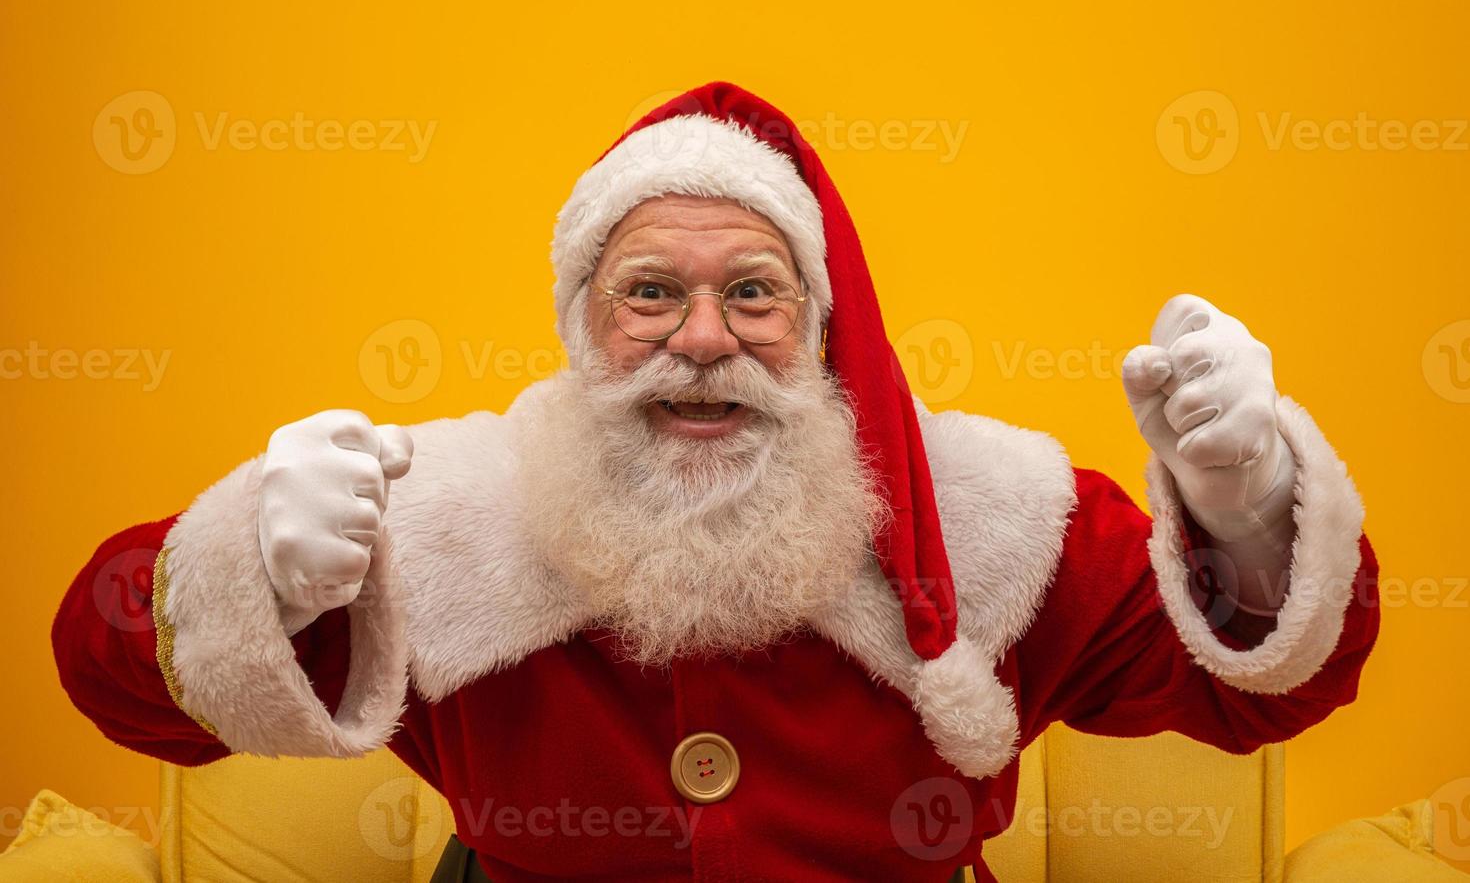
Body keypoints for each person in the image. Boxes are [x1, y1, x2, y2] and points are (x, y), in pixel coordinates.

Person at [53, 82, 1378, 881]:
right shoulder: (438, 511)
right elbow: (115, 683)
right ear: (582, 326)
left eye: (751, 292)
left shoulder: (999, 519)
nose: (701, 340)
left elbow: (1266, 689)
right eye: (649, 294)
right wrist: (262, 571)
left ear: (820, 328)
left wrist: (1248, 503)